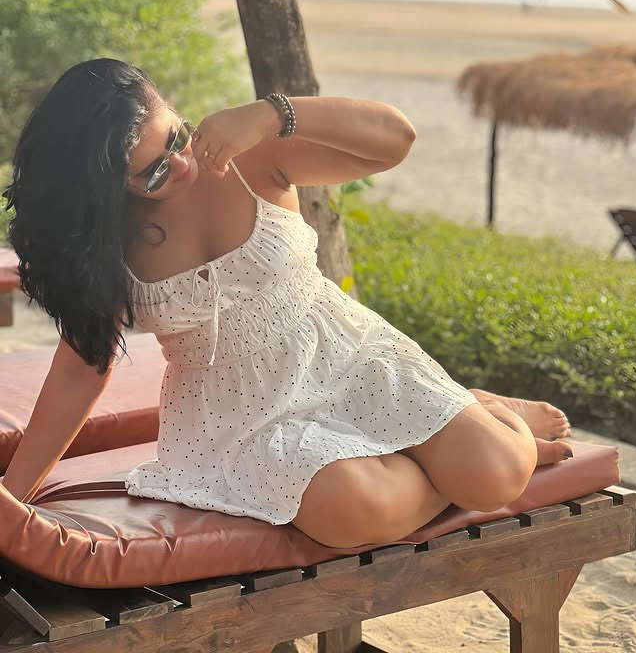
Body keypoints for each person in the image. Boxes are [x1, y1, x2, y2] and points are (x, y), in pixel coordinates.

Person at [2, 59, 573, 549]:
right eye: (151, 172)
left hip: (346, 354)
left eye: (175, 137)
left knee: (496, 474)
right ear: (103, 188)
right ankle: (452, 431)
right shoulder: (103, 243)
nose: (182, 165)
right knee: (352, 510)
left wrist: (272, 114)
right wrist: (12, 501)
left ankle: (484, 418)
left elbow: (396, 140)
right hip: (240, 417)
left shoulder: (248, 155)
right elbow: (79, 373)